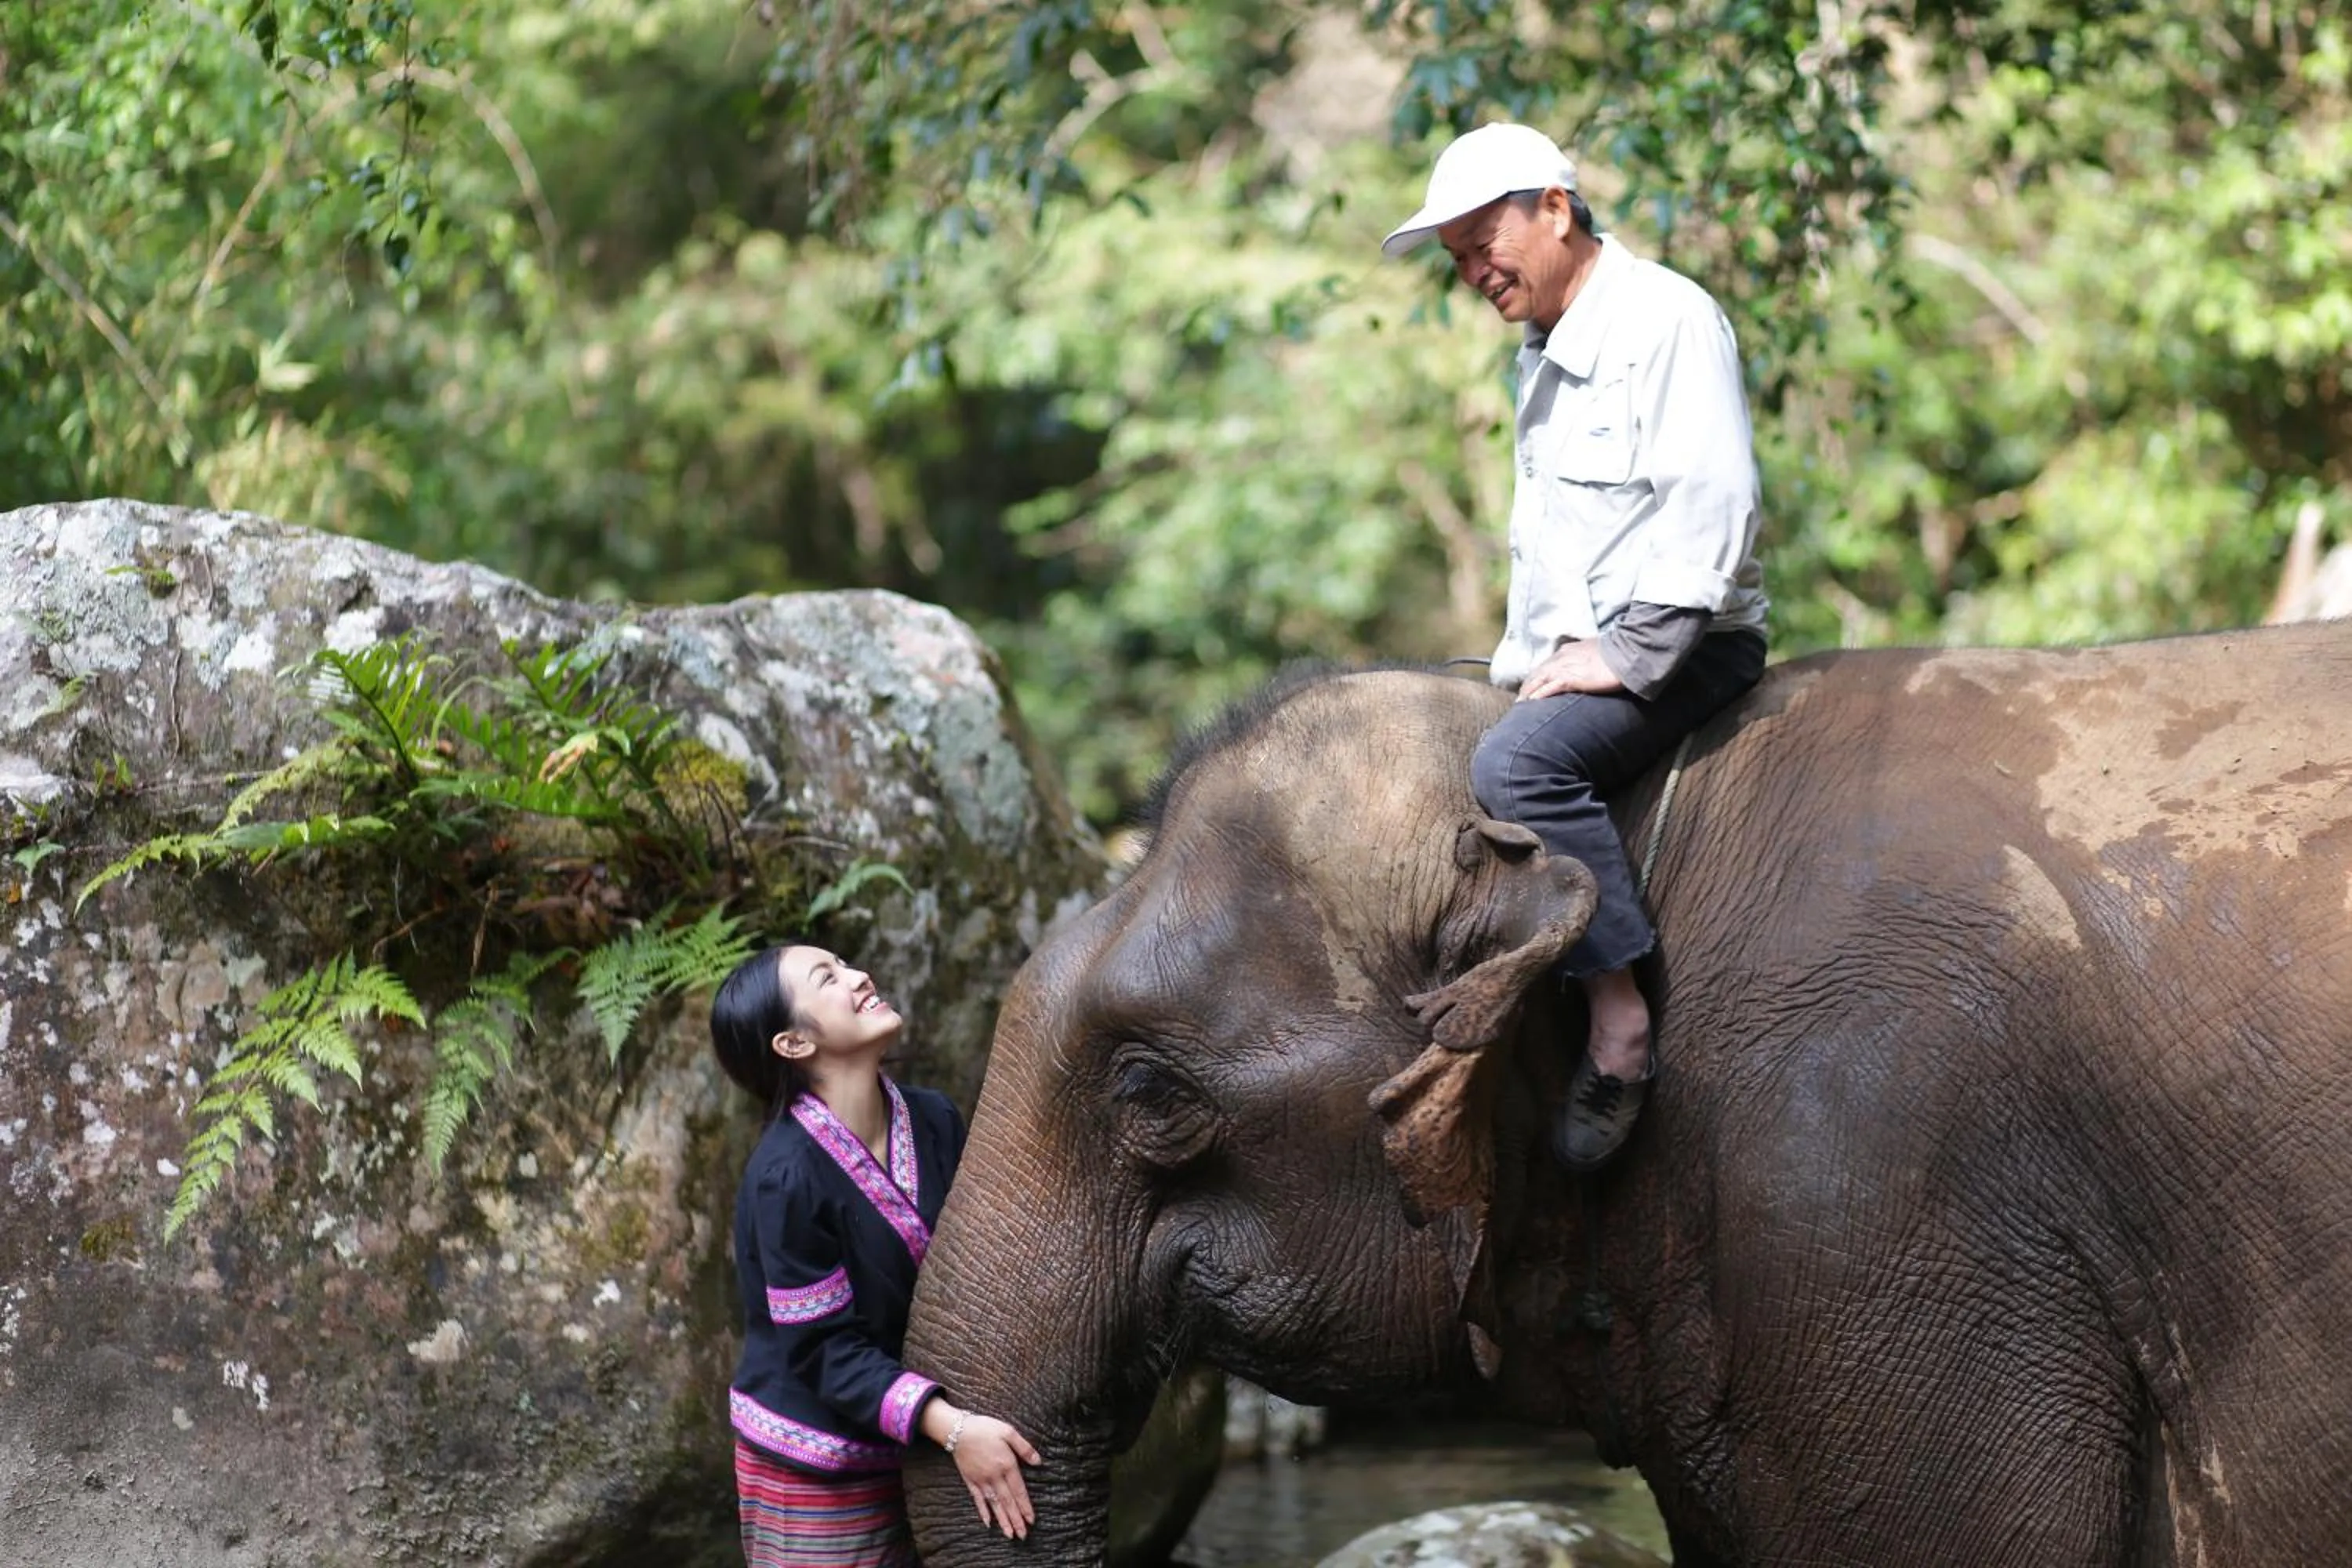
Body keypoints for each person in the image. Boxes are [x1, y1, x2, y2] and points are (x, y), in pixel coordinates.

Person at [1381, 123, 1769, 1171]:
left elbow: (1712, 498)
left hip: (1688, 644)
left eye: (1482, 241)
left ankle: (1618, 1016)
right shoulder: (1547, 346)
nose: (1472, 272)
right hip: (1589, 647)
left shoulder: (1665, 318)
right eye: (1457, 259)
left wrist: (1631, 650)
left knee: (1519, 762)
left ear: (1556, 206)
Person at [711, 941, 1040, 1566]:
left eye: (847, 965)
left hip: (925, 1435)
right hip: (821, 1461)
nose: (860, 976)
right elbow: (825, 1352)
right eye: (827, 978)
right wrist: (956, 1430)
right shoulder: (786, 1178)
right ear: (793, 1043)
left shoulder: (934, 1118)